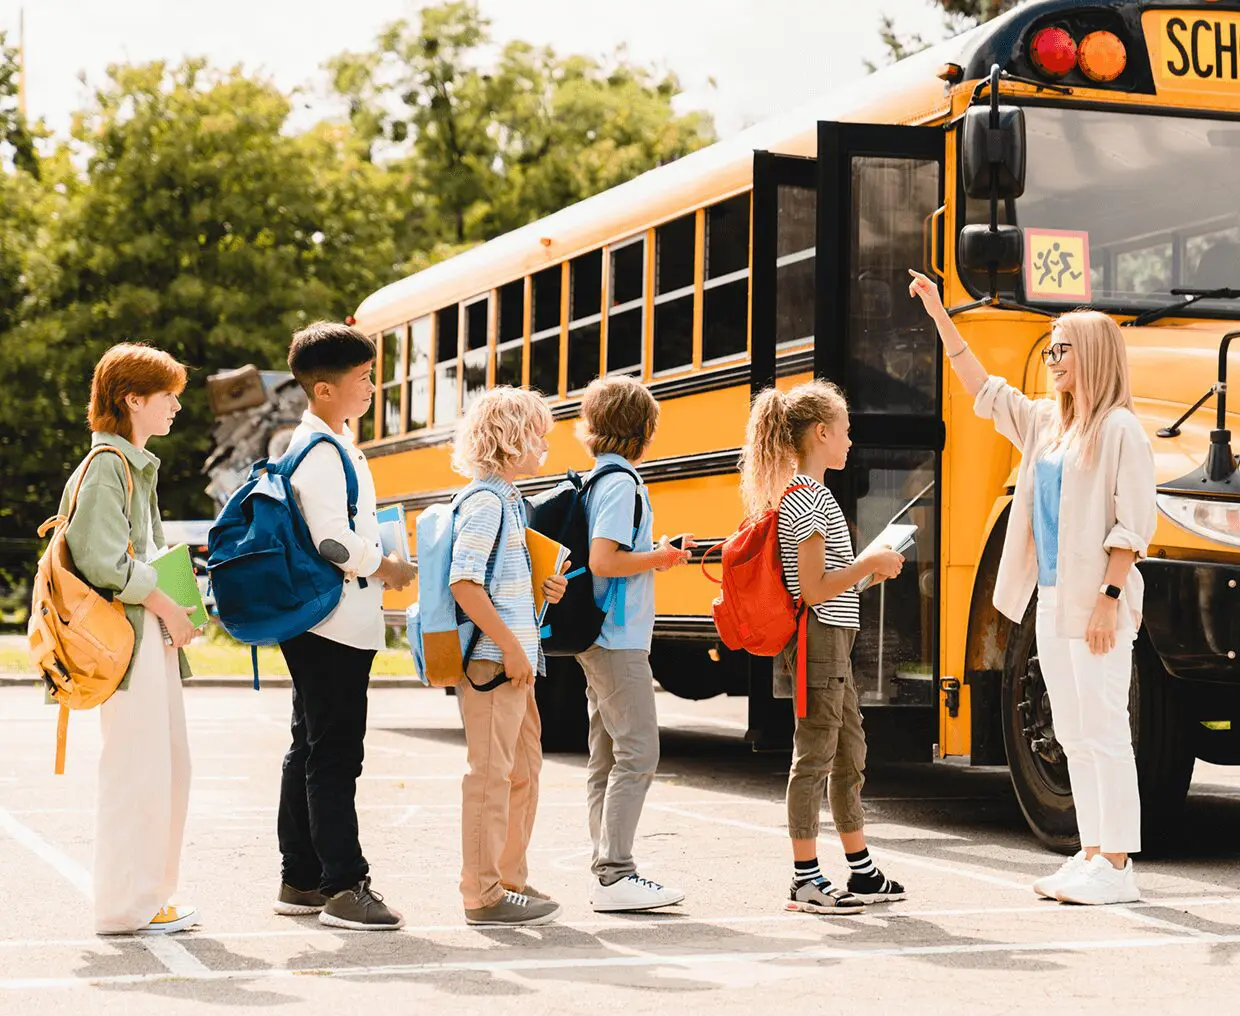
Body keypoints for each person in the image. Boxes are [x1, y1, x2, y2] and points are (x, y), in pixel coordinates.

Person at [909, 269, 1157, 905]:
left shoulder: (1122, 430)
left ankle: (1118, 863)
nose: (1051, 358)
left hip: (1097, 601)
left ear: (1094, 356)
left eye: (1062, 348)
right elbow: (982, 388)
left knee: (1105, 728)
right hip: (1049, 601)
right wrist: (942, 317)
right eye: (1049, 348)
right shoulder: (1046, 424)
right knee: (1073, 730)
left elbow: (1133, 525)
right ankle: (1092, 850)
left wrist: (1107, 601)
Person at [739, 379, 908, 916]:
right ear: (821, 433)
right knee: (815, 756)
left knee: (848, 752)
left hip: (833, 641)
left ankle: (859, 870)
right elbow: (810, 589)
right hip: (820, 643)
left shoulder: (808, 494)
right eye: (847, 432)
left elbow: (822, 580)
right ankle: (805, 879)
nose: (851, 442)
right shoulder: (808, 499)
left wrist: (863, 575)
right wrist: (868, 565)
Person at [275, 322, 417, 930]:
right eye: (362, 379)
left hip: (322, 620)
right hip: (332, 622)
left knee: (309, 748)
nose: (371, 387)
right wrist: (386, 566)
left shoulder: (326, 443)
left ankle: (301, 877)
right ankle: (343, 885)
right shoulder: (324, 452)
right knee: (334, 756)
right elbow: (333, 540)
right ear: (325, 389)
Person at [63, 343, 201, 935]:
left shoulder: (129, 465)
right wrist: (169, 604)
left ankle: (147, 898)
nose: (175, 407)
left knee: (164, 767)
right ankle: (127, 907)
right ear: (132, 399)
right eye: (167, 396)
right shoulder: (108, 467)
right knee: (139, 770)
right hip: (130, 637)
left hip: (145, 635)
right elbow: (102, 561)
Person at [449, 386, 569, 926]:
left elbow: (493, 581)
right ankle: (483, 893)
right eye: (537, 434)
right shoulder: (485, 502)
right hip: (497, 662)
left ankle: (509, 880)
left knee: (522, 771)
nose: (545, 444)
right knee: (492, 776)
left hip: (514, 661)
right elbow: (464, 583)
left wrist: (540, 587)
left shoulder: (509, 501)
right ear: (510, 438)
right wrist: (515, 647)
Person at [575, 376, 691, 913]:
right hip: (616, 638)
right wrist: (661, 559)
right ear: (641, 430)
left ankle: (606, 866)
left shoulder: (601, 479)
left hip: (600, 637)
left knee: (607, 755)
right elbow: (604, 560)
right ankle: (615, 874)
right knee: (639, 751)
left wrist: (654, 554)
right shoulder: (622, 484)